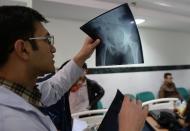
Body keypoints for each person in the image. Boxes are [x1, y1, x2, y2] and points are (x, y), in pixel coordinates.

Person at [0, 5, 148, 131]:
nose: (53, 49)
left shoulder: (22, 93)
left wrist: (82, 56)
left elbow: (53, 88)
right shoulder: (14, 123)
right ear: (23, 49)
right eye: (47, 40)